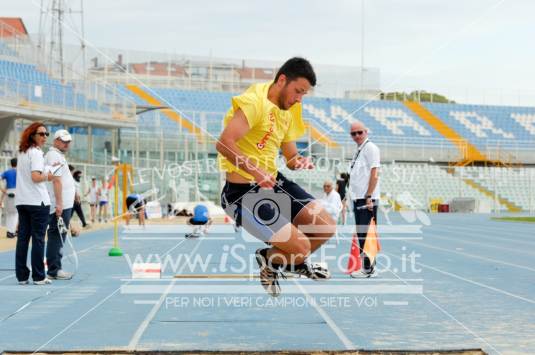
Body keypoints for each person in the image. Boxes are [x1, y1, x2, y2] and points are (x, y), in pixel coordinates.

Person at [217, 57, 334, 297]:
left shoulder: (288, 109)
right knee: (300, 246)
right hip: (242, 194)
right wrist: (256, 172)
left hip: (273, 182)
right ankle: (284, 258)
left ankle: (278, 261)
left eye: (304, 94)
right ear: (282, 80)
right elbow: (224, 143)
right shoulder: (254, 103)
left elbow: (290, 156)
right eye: (298, 91)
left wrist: (298, 161)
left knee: (325, 227)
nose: (299, 98)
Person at [14, 122, 56, 285]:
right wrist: (49, 176)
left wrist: (45, 170)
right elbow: (35, 177)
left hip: (22, 200)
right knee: (38, 239)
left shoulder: (22, 152)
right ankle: (38, 276)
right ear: (32, 135)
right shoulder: (36, 153)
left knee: (23, 239)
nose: (45, 137)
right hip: (37, 201)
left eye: (46, 134)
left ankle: (22, 276)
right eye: (41, 134)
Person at [348, 120, 380, 276]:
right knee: (363, 234)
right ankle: (369, 267)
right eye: (353, 133)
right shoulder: (359, 150)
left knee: (366, 234)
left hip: (366, 198)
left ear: (366, 132)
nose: (357, 135)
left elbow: (375, 173)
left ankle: (368, 269)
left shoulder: (370, 148)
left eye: (360, 132)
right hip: (358, 198)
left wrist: (369, 196)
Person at [44, 129, 76, 280]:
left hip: (64, 202)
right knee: (56, 236)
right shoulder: (53, 156)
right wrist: (59, 203)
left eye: (68, 141)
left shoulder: (58, 156)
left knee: (59, 235)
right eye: (64, 141)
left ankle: (55, 268)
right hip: (60, 203)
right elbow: (56, 180)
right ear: (56, 141)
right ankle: (54, 270)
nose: (67, 144)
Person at [1, 158, 18, 238]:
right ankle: (12, 232)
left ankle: (9, 231)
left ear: (11, 164)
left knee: (9, 213)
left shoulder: (7, 172)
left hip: (8, 193)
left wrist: (2, 190)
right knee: (15, 214)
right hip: (17, 193)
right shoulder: (20, 172)